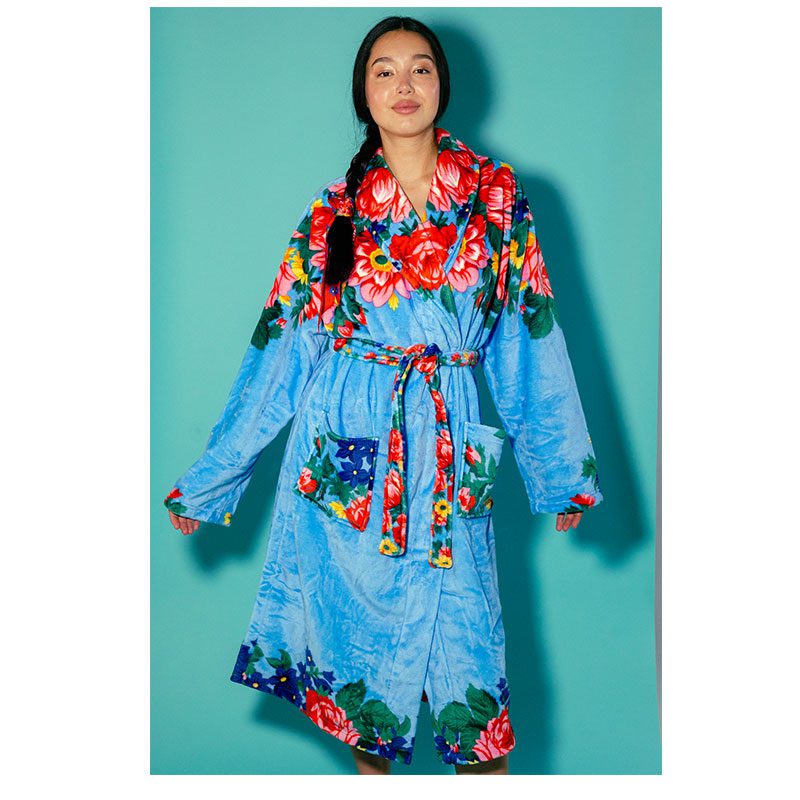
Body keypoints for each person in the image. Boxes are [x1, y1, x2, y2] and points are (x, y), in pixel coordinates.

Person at [164, 15, 603, 776]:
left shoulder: (497, 196)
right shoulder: (333, 209)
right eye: (385, 71)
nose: (404, 84)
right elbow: (280, 348)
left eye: (421, 68)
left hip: (447, 438)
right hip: (352, 448)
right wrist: (213, 478)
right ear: (364, 95)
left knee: (474, 699)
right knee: (366, 693)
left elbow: (528, 334)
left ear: (443, 85)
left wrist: (562, 470)